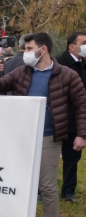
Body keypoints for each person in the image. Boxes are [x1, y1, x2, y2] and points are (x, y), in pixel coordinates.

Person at [0, 32, 86, 217]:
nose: (25, 53)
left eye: (30, 49)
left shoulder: (67, 75)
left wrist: (81, 134)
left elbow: (81, 106)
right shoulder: (22, 72)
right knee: (18, 183)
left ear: (43, 49)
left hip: (48, 138)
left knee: (47, 185)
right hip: (21, 136)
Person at [56, 31, 86, 203]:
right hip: (58, 119)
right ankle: (42, 190)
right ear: (71, 46)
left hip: (76, 121)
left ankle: (68, 192)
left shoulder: (83, 64)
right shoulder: (59, 63)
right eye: (83, 42)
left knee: (72, 158)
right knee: (49, 158)